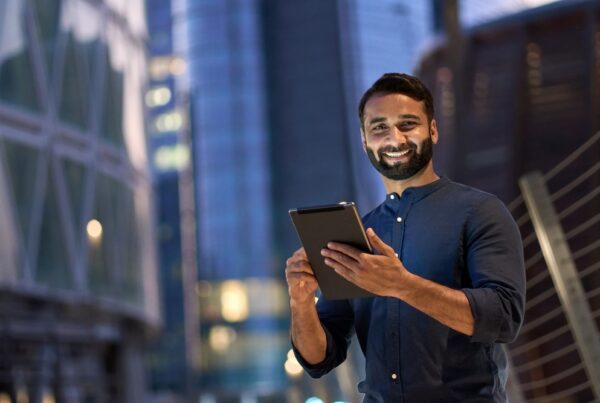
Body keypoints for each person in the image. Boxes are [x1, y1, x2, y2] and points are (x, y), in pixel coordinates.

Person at [285, 73, 526, 402]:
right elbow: (319, 359)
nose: (394, 139)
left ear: (433, 130)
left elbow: (502, 318)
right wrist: (300, 302)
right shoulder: (357, 235)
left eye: (407, 124)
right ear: (364, 140)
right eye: (379, 127)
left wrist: (401, 285)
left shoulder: (480, 212)